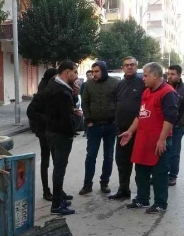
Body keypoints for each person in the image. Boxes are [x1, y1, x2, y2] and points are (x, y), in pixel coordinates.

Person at [118, 63, 178, 214]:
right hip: (143, 140)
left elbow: (170, 118)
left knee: (159, 174)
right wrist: (130, 131)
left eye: (145, 75)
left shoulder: (167, 92)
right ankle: (142, 199)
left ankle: (160, 203)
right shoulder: (146, 92)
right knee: (141, 172)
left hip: (159, 141)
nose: (142, 78)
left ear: (155, 76)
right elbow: (141, 114)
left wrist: (162, 139)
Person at [28, 68, 74, 202]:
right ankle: (46, 190)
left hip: (52, 131)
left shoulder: (53, 89)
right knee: (46, 161)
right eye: (56, 76)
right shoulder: (45, 91)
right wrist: (47, 121)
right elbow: (32, 111)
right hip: (45, 132)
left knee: (57, 162)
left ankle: (58, 191)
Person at [43, 60, 80, 215]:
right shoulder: (63, 92)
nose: (77, 76)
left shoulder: (54, 86)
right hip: (60, 135)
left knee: (58, 168)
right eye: (75, 72)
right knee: (59, 169)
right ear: (67, 73)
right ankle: (57, 205)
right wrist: (75, 122)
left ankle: (59, 200)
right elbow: (65, 120)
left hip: (51, 132)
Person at [79, 61, 119, 195]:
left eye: (97, 71)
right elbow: (84, 102)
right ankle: (87, 184)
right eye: (93, 71)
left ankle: (104, 183)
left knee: (108, 156)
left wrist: (116, 120)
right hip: (94, 126)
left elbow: (119, 102)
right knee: (91, 155)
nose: (94, 74)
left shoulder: (114, 83)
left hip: (110, 125)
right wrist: (88, 120)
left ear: (103, 71)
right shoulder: (88, 84)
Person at [109, 57, 145, 200]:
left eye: (132, 65)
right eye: (126, 65)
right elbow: (115, 105)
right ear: (122, 67)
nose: (129, 67)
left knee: (140, 163)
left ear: (136, 67)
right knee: (122, 162)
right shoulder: (120, 85)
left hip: (138, 131)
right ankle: (123, 190)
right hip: (121, 130)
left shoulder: (143, 84)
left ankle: (142, 194)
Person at [166, 65, 184, 186]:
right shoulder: (164, 87)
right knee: (162, 151)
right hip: (163, 125)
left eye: (173, 74)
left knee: (174, 152)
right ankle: (161, 174)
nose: (170, 76)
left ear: (179, 75)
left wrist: (179, 124)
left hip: (177, 127)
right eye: (168, 74)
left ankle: (172, 176)